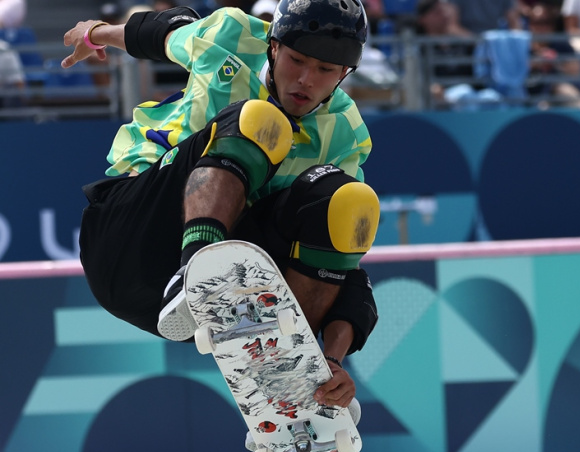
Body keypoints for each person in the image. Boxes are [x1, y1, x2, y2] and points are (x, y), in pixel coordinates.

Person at [61, 0, 379, 415]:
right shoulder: (230, 36)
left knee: (349, 202)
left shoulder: (346, 134)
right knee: (260, 119)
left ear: (344, 74)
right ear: (274, 46)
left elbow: (342, 262)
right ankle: (196, 274)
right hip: (130, 232)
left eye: (324, 71)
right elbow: (158, 33)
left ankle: (291, 376)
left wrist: (333, 358)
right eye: (296, 60)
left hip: (224, 266)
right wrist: (94, 32)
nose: (304, 80)